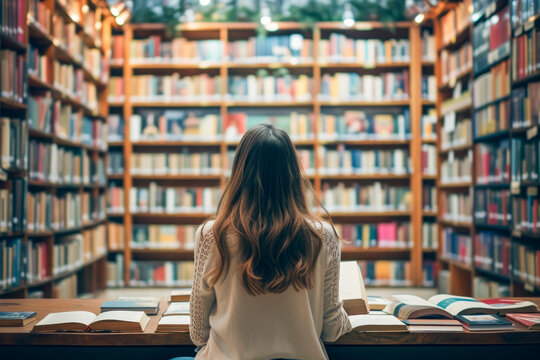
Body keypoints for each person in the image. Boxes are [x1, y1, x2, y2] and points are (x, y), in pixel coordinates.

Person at [182, 124, 352, 360]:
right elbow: (332, 330)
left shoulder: (212, 235)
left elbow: (198, 333)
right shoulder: (323, 236)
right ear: (293, 173)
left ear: (239, 173)